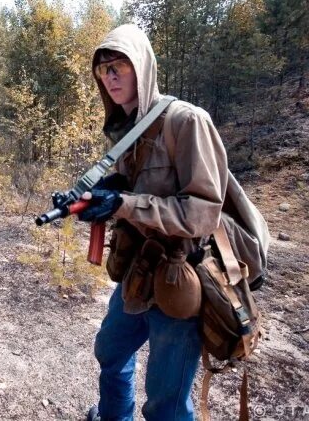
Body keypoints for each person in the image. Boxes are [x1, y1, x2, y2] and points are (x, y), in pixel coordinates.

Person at [78, 24, 229, 420]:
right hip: (136, 271)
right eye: (103, 70)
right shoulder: (123, 130)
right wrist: (108, 194)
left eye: (119, 66)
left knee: (166, 401)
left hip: (178, 277)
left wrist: (125, 203)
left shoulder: (187, 121)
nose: (109, 77)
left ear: (142, 67)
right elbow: (137, 187)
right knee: (110, 352)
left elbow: (202, 213)